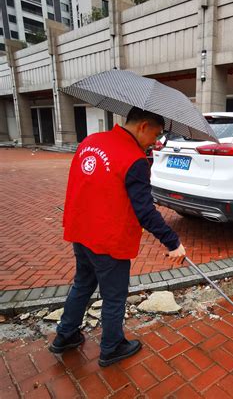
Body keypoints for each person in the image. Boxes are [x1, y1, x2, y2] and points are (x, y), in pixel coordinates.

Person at [49, 107, 186, 367]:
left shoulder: (90, 142)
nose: (156, 142)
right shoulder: (134, 159)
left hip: (81, 230)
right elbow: (145, 211)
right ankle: (111, 347)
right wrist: (173, 242)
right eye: (156, 134)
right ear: (144, 126)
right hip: (108, 239)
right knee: (114, 296)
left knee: (83, 284)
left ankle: (65, 336)